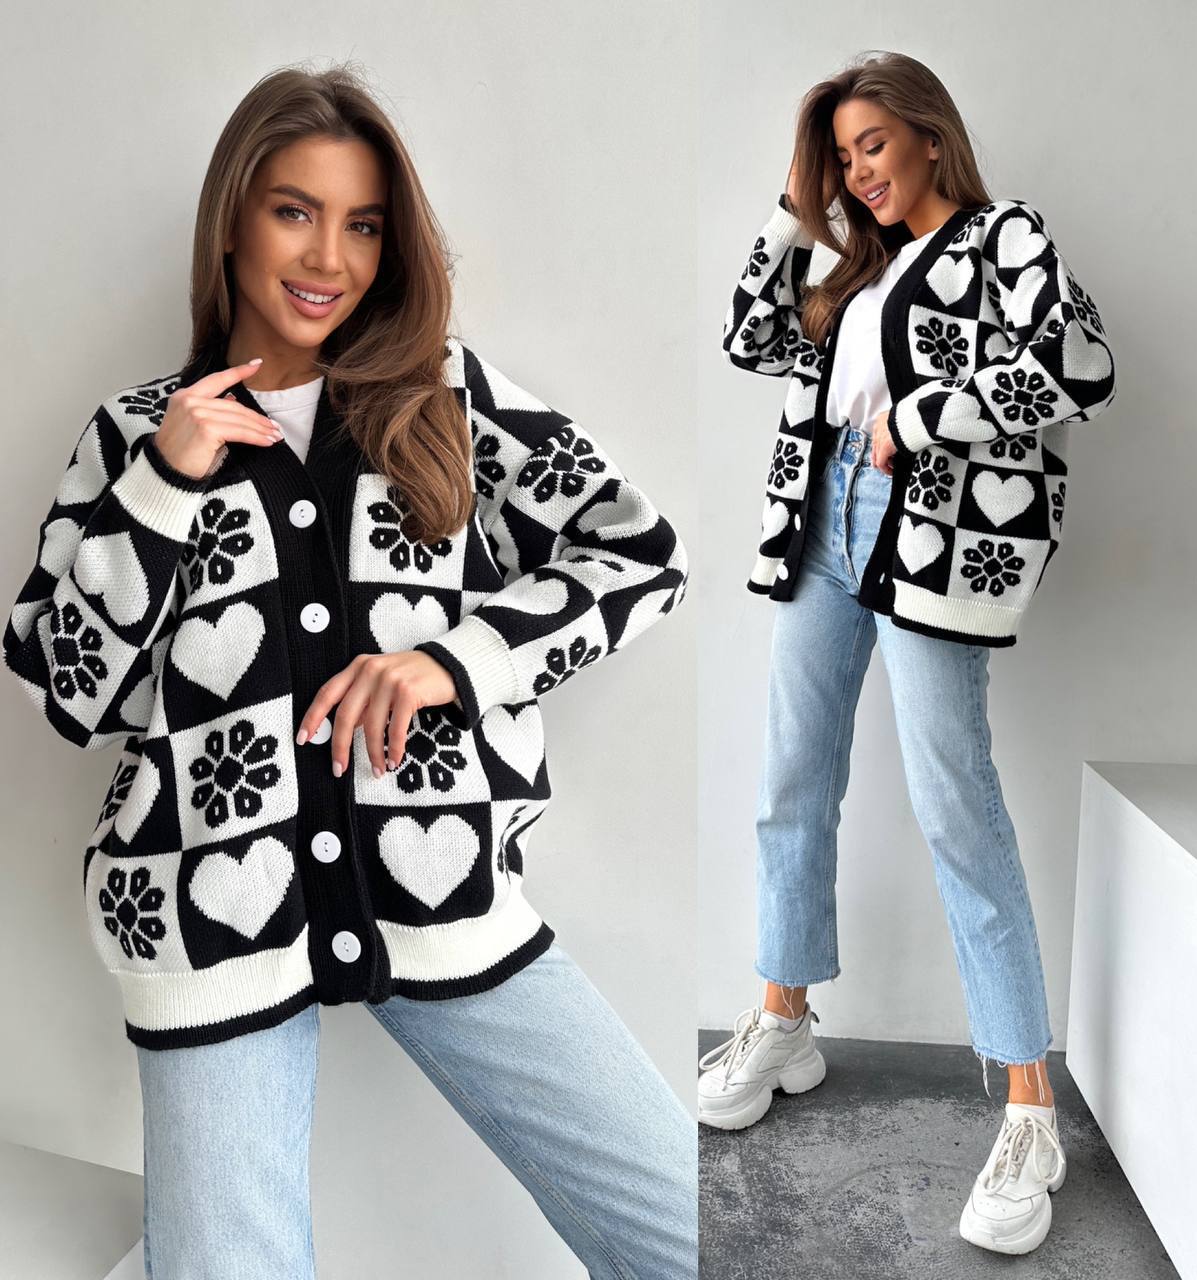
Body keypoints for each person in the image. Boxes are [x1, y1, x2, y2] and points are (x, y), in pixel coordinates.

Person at [4, 62, 695, 1279]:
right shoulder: (132, 433)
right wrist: (166, 483)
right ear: (232, 220)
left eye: (363, 222)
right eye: (293, 209)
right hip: (205, 925)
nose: (330, 254)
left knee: (679, 1231)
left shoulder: (446, 398)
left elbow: (641, 556)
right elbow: (63, 686)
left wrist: (455, 658)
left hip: (446, 894)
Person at [698, 50, 1116, 1258]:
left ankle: (1027, 1103)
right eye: (839, 155)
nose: (856, 171)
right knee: (791, 782)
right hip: (819, 525)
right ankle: (783, 1014)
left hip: (929, 530)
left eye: (870, 144)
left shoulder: (1004, 240)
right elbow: (744, 338)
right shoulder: (852, 267)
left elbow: (1078, 366)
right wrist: (796, 209)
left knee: (955, 806)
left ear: (931, 135)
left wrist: (922, 415)